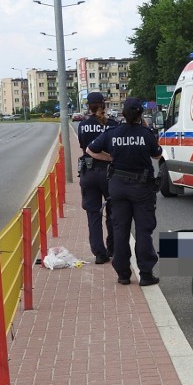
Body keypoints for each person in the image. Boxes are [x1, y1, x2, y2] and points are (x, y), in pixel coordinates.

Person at [87, 97, 163, 286]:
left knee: (120, 230)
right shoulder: (146, 133)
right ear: (140, 114)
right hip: (142, 188)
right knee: (144, 231)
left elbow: (90, 150)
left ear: (123, 113)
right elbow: (157, 154)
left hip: (118, 186)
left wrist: (110, 158)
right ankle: (145, 274)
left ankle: (123, 274)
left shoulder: (113, 132)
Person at [78, 92, 116, 264]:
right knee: (113, 213)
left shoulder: (83, 125)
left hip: (89, 173)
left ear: (88, 106)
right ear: (104, 105)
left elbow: (82, 146)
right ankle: (112, 248)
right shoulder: (113, 125)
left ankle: (99, 254)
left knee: (93, 214)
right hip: (110, 173)